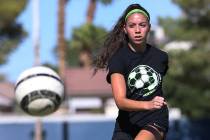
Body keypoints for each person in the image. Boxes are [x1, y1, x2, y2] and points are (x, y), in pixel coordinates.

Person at [94, 3, 169, 140]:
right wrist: (148, 104)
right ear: (125, 29)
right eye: (132, 25)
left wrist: (154, 105)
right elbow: (120, 101)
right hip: (126, 124)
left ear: (149, 27)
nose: (137, 30)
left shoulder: (161, 57)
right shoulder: (118, 59)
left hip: (155, 121)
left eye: (142, 25)